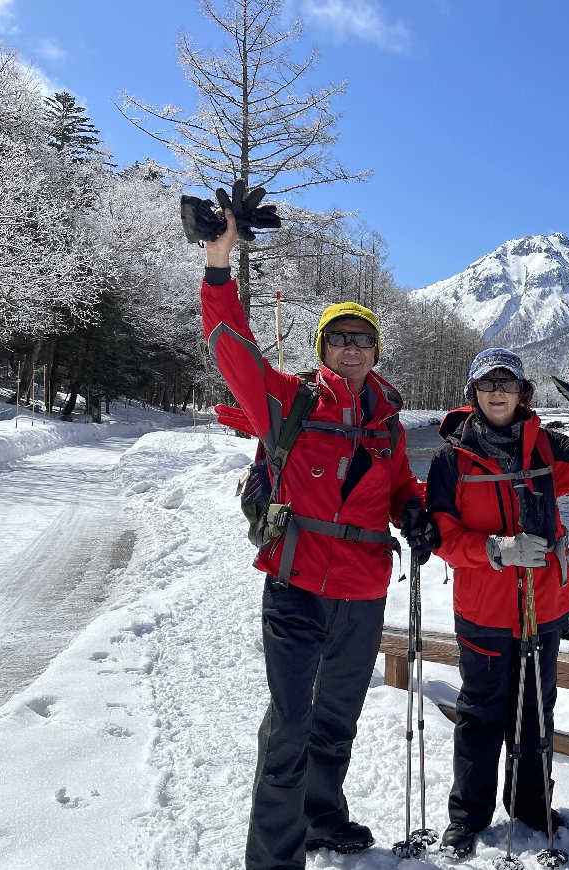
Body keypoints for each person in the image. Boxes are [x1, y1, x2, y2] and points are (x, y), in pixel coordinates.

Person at [200, 207, 434, 867]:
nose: (351, 348)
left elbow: (398, 487)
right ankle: (275, 859)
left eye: (363, 339)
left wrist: (414, 512)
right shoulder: (288, 402)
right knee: (289, 729)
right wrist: (219, 263)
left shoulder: (387, 425)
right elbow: (230, 345)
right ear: (322, 349)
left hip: (362, 594)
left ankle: (322, 818)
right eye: (339, 338)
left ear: (375, 352)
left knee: (336, 720)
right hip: (296, 585)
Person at [425, 346, 569, 859]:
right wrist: (495, 550)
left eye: (507, 382)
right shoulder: (451, 459)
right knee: (480, 716)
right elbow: (443, 537)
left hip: (544, 607)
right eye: (488, 383)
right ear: (473, 392)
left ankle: (532, 807)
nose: (498, 392)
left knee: (537, 714)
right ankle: (467, 818)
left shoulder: (547, 447)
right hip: (484, 612)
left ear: (523, 392)